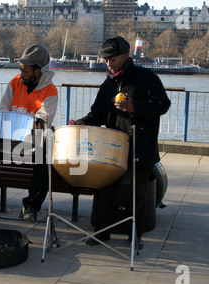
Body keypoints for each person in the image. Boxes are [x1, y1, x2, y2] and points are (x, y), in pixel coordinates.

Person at [71, 36, 170, 248]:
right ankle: (102, 232)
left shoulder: (146, 77)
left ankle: (136, 235)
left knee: (138, 193)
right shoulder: (108, 84)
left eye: (112, 58)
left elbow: (163, 104)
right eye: (105, 60)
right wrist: (81, 122)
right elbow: (97, 114)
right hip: (113, 146)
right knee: (106, 189)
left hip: (141, 145)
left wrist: (137, 107)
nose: (108, 63)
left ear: (125, 56)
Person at [0, 44, 58, 222]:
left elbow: (43, 118)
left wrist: (32, 126)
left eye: (26, 71)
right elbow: (3, 108)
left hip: (33, 143)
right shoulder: (15, 82)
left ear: (38, 70)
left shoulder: (50, 91)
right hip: (8, 138)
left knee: (45, 157)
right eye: (21, 70)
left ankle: (30, 206)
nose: (22, 74)